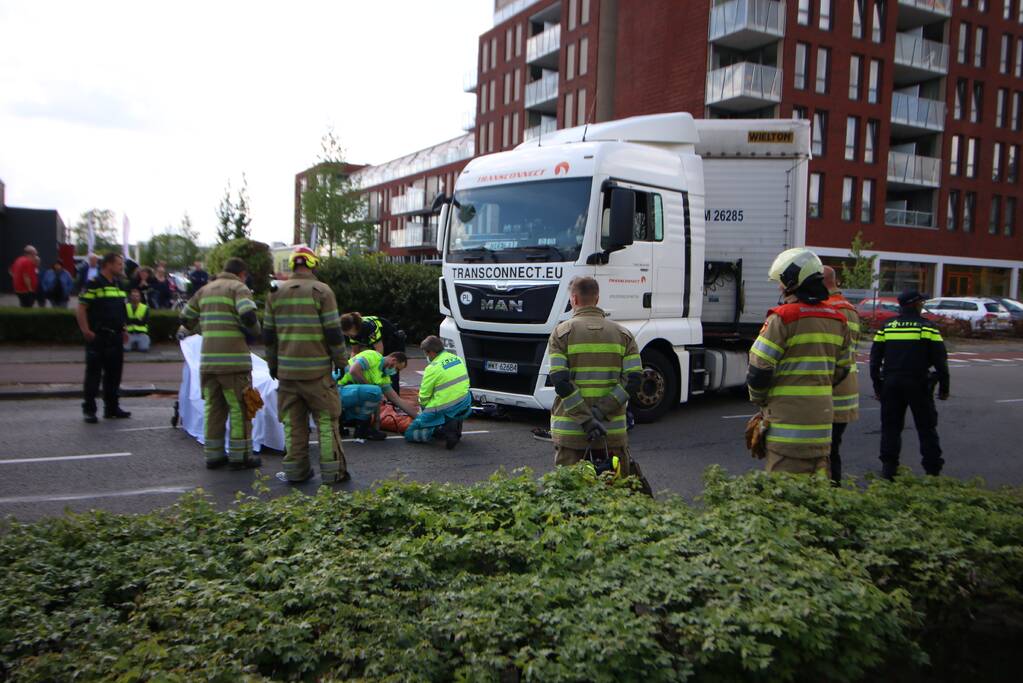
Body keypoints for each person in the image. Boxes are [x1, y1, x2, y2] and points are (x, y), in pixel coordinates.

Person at [747, 248, 852, 476]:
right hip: (822, 430)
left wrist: (760, 400)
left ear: (792, 281)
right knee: (816, 491)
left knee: (783, 491)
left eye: (781, 282)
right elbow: (843, 368)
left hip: (786, 429)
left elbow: (758, 370)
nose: (779, 287)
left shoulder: (783, 318)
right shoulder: (838, 319)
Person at [546, 276, 650, 491]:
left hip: (572, 435)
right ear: (597, 298)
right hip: (611, 435)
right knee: (615, 497)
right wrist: (600, 412)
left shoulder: (561, 333)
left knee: (570, 498)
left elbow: (561, 382)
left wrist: (587, 420)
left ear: (574, 299)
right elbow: (633, 380)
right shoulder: (623, 335)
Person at [264, 247, 350, 484]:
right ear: (313, 264)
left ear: (292, 265)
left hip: (287, 374)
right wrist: (341, 361)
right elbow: (333, 332)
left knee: (293, 424)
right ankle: (333, 472)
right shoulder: (322, 291)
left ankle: (295, 471)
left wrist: (273, 365)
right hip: (317, 374)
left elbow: (268, 335)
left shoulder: (275, 293)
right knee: (326, 421)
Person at [180, 257, 262, 469]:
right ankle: (240, 456)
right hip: (234, 363)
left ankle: (213, 455)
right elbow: (248, 314)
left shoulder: (204, 290)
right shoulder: (238, 287)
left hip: (208, 362)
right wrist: (255, 332)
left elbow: (186, 318)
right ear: (242, 274)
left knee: (213, 408)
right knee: (239, 408)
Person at [870, 290, 950, 479]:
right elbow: (940, 361)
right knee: (926, 428)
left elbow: (874, 360)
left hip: (891, 384)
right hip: (918, 383)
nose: (923, 305)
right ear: (915, 304)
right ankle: (932, 471)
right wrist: (944, 388)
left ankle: (888, 469)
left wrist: (878, 387)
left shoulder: (887, 327)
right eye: (921, 302)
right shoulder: (927, 327)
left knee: (890, 428)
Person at [76, 252, 131, 423]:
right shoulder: (94, 283)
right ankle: (89, 410)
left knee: (114, 374)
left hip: (115, 336)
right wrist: (86, 330)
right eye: (119, 264)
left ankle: (112, 408)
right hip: (99, 336)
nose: (121, 267)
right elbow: (81, 308)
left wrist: (123, 328)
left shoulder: (118, 284)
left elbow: (120, 309)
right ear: (108, 265)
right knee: (94, 374)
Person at [822, 266, 861, 484]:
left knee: (822, 449)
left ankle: (829, 490)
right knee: (833, 447)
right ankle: (834, 489)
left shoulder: (827, 309)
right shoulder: (850, 309)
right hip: (847, 389)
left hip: (830, 389)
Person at [404, 335, 472, 449]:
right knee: (454, 408)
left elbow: (424, 396)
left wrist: (425, 414)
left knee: (410, 433)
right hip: (465, 400)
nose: (426, 356)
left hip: (446, 406)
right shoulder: (457, 359)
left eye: (426, 353)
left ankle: (443, 432)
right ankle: (454, 429)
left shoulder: (432, 368)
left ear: (431, 352)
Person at [337, 349, 419, 440]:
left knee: (374, 393)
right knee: (374, 391)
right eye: (397, 368)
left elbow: (397, 400)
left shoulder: (383, 377)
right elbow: (354, 370)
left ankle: (348, 424)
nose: (395, 372)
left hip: (346, 393)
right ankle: (360, 428)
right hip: (336, 388)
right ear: (393, 360)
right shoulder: (373, 356)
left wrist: (419, 418)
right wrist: (370, 388)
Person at [340, 312, 405, 391]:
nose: (349, 336)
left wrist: (374, 371)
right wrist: (349, 367)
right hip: (379, 343)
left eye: (349, 333)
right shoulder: (353, 332)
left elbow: (379, 351)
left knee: (390, 369)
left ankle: (393, 394)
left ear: (353, 326)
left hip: (393, 341)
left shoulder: (369, 327)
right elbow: (355, 352)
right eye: (347, 335)